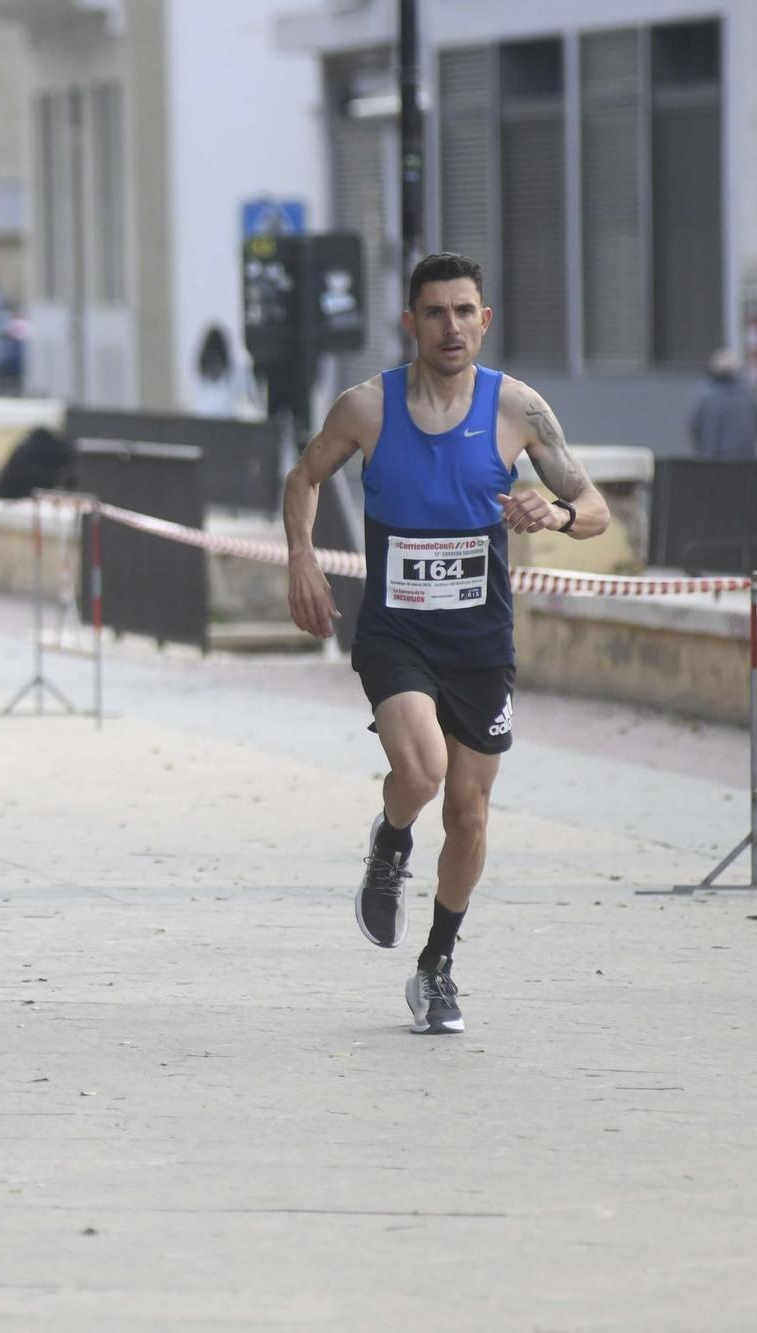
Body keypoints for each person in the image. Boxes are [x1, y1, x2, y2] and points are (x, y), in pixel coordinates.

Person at [282, 252, 609, 1035]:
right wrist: (300, 557)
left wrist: (555, 515)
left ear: (484, 320)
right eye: (436, 312)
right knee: (423, 769)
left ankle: (435, 966)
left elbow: (593, 506)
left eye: (465, 311)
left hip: (479, 639)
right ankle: (392, 842)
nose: (451, 326)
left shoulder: (518, 410)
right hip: (396, 630)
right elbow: (304, 478)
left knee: (469, 813)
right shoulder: (368, 407)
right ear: (412, 322)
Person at [688, 348, 757, 461]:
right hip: (745, 464)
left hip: (712, 463)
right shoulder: (748, 397)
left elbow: (694, 426)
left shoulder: (706, 397)